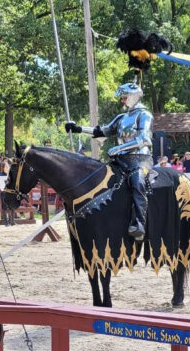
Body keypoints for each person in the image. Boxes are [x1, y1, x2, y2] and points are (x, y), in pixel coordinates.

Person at [65, 82, 153, 241]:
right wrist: (78, 128)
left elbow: (144, 139)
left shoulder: (144, 115)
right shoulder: (122, 117)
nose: (122, 101)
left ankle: (139, 223)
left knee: (137, 181)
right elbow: (101, 131)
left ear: (133, 96)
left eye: (124, 97)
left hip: (139, 159)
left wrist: (118, 148)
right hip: (121, 160)